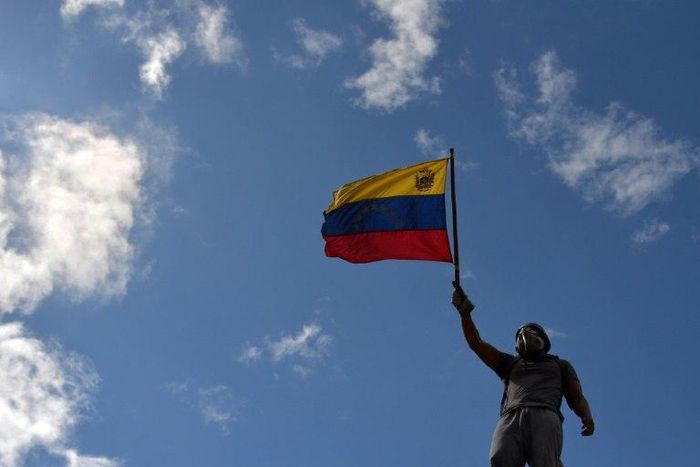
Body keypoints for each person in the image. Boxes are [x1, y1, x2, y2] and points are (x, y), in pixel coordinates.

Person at [452, 284, 594, 467]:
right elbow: (477, 344)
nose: (525, 335)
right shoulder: (509, 363)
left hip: (545, 415)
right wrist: (465, 313)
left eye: (532, 331)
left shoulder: (560, 365)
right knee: (500, 460)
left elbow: (576, 396)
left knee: (545, 463)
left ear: (544, 341)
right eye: (520, 335)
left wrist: (586, 415)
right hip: (510, 418)